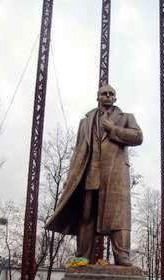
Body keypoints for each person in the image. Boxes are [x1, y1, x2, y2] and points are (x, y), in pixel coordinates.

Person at [45, 84, 143, 265]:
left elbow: (138, 137)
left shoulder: (126, 117)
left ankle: (122, 255)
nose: (107, 96)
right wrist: (71, 177)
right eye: (103, 93)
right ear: (97, 97)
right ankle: (83, 255)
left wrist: (113, 129)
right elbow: (78, 150)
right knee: (86, 214)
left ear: (115, 98)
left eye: (111, 94)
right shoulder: (86, 121)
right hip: (90, 172)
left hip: (115, 174)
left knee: (118, 215)